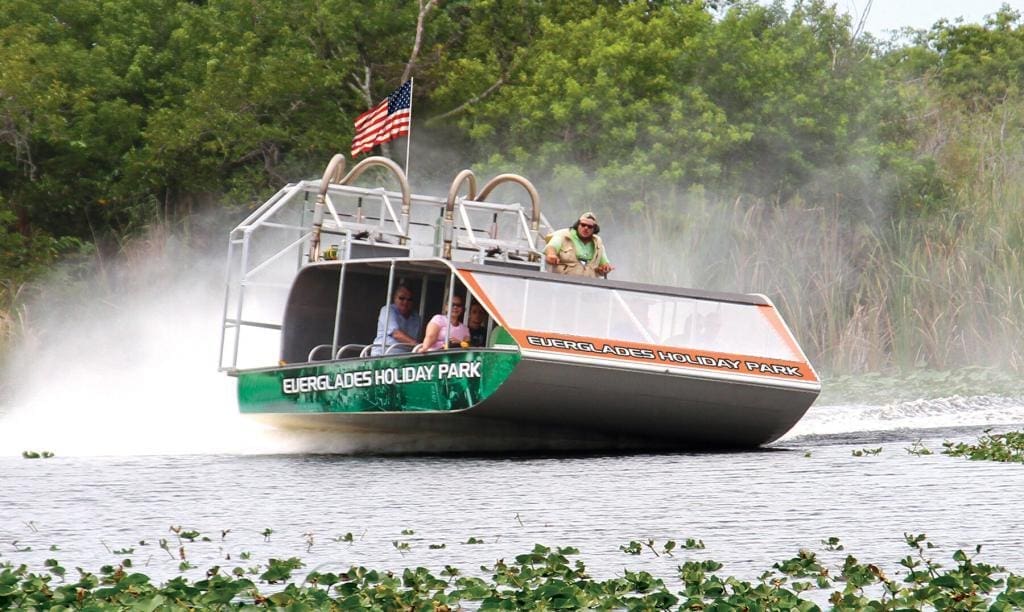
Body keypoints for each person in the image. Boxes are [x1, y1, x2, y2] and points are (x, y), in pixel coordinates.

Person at [544, 211, 614, 277]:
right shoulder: (563, 235)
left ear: (594, 229)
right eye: (583, 225)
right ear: (577, 225)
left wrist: (605, 268)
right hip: (563, 282)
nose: (586, 228)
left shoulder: (598, 244)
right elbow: (551, 247)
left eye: (590, 227)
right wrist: (551, 255)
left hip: (589, 285)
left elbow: (604, 264)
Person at [371, 285, 422, 355]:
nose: (405, 302)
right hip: (383, 356)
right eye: (401, 298)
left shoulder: (416, 317)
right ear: (394, 298)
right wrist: (418, 345)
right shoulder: (387, 310)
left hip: (406, 358)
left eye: (409, 299)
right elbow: (396, 334)